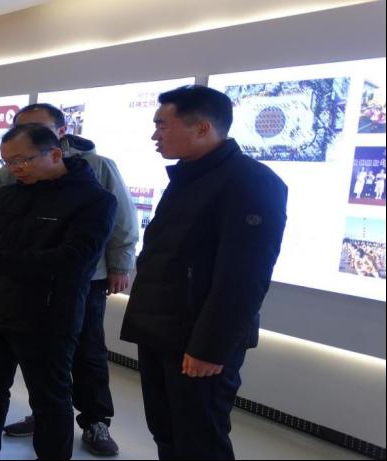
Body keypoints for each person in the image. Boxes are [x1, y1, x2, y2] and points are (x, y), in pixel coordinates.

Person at [120, 85, 287, 460]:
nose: (155, 135)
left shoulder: (250, 181)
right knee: (166, 431)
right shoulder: (189, 177)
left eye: (162, 125)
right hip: (162, 331)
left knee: (200, 442)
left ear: (201, 128)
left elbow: (243, 278)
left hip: (197, 341)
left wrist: (210, 348)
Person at [0, 124, 117, 460]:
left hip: (46, 317)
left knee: (49, 401)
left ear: (54, 154)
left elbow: (73, 260)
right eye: (7, 162)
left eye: (21, 160)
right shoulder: (8, 194)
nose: (14, 168)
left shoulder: (94, 200)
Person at [0, 103, 138, 455]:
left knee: (87, 350)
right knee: (40, 358)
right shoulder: (7, 173)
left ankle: (95, 420)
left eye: (39, 127)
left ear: (60, 132)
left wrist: (120, 265)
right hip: (30, 277)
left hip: (86, 277)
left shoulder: (98, 166)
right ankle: (42, 414)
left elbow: (123, 218)